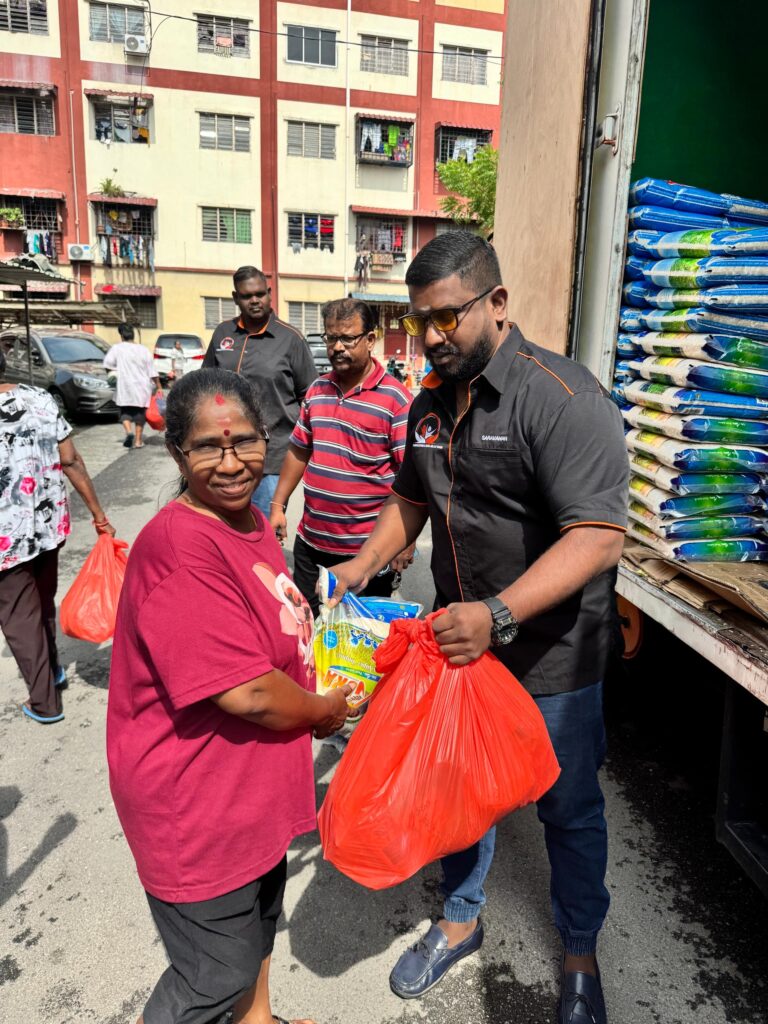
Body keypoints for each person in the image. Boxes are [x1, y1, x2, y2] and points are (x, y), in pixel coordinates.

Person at [328, 233, 629, 1024]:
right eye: (418, 320)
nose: (431, 335)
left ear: (497, 303)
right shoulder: (428, 405)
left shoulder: (562, 399)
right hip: (460, 648)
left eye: (446, 317)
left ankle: (578, 950)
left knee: (569, 807)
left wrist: (498, 614)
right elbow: (410, 502)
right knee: (457, 791)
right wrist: (360, 567)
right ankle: (460, 920)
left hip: (554, 656)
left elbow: (598, 535)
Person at [107, 368, 350, 1024]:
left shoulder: (247, 521)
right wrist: (323, 710)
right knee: (214, 974)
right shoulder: (180, 548)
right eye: (208, 447)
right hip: (197, 805)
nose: (232, 462)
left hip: (249, 793)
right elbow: (248, 692)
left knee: (259, 925)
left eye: (244, 441)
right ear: (176, 454)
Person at [269, 298, 415, 617]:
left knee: (361, 633)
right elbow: (299, 450)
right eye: (331, 337)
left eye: (347, 338)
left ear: (370, 339)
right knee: (307, 624)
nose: (337, 347)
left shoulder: (396, 400)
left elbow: (412, 478)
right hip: (311, 545)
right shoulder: (317, 390)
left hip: (367, 553)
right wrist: (278, 505)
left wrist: (406, 541)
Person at [0, 350, 115, 724]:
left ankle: (44, 702)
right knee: (40, 601)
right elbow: (71, 459)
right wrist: (98, 515)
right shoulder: (39, 398)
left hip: (6, 537)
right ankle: (53, 671)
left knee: (19, 616)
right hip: (48, 527)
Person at [203, 266, 317, 517]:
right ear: (236, 298)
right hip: (226, 451)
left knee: (264, 524)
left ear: (269, 293)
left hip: (273, 455)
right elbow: (205, 387)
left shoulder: (290, 339)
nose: (254, 300)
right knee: (227, 523)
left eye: (260, 294)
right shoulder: (223, 333)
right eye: (246, 296)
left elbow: (310, 398)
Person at [102, 322, 159, 449]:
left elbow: (108, 364)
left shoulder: (117, 348)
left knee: (125, 411)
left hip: (125, 386)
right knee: (140, 414)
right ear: (133, 335)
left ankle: (129, 432)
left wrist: (112, 373)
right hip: (142, 387)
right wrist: (158, 385)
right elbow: (152, 371)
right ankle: (138, 441)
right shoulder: (143, 349)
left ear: (122, 336)